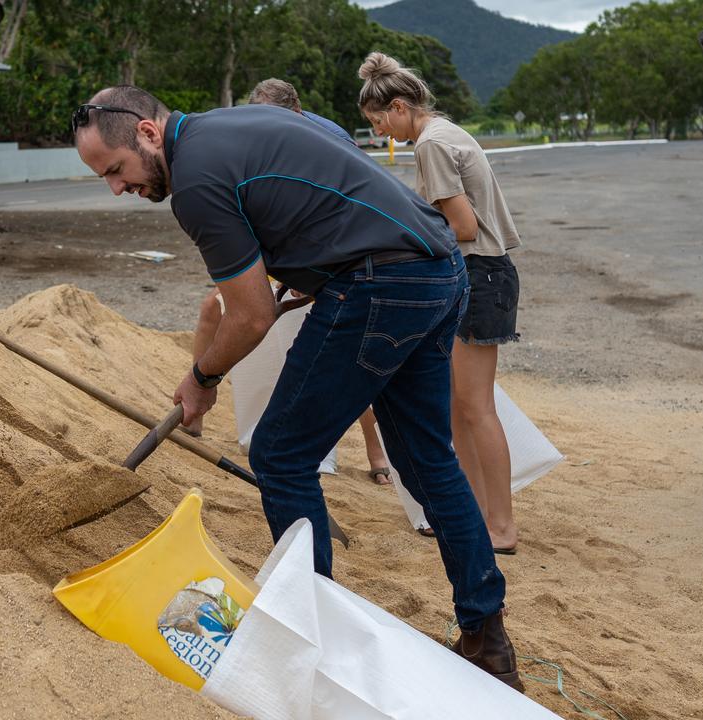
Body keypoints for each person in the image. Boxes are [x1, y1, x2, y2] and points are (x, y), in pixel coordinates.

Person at [71, 84, 523, 690]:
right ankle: (488, 642)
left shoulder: (197, 181)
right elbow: (335, 165)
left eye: (117, 170)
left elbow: (251, 314)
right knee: (429, 462)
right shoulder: (244, 121)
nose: (118, 188)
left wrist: (202, 376)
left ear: (149, 134)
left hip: (381, 284)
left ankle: (313, 638)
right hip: (438, 270)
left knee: (281, 454)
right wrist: (317, 257)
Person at [187, 78, 392, 485]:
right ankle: (193, 415)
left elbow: (346, 208)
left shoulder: (328, 137)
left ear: (296, 114)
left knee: (354, 345)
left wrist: (306, 274)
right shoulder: (248, 135)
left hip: (342, 253)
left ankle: (377, 453)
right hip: (280, 247)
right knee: (213, 307)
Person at [358, 53, 523, 554]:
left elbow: (463, 228)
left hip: (478, 273)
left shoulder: (430, 144)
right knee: (457, 407)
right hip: (484, 272)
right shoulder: (444, 132)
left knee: (474, 408)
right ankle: (474, 513)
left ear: (401, 106)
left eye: (379, 120)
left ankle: (501, 526)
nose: (381, 131)